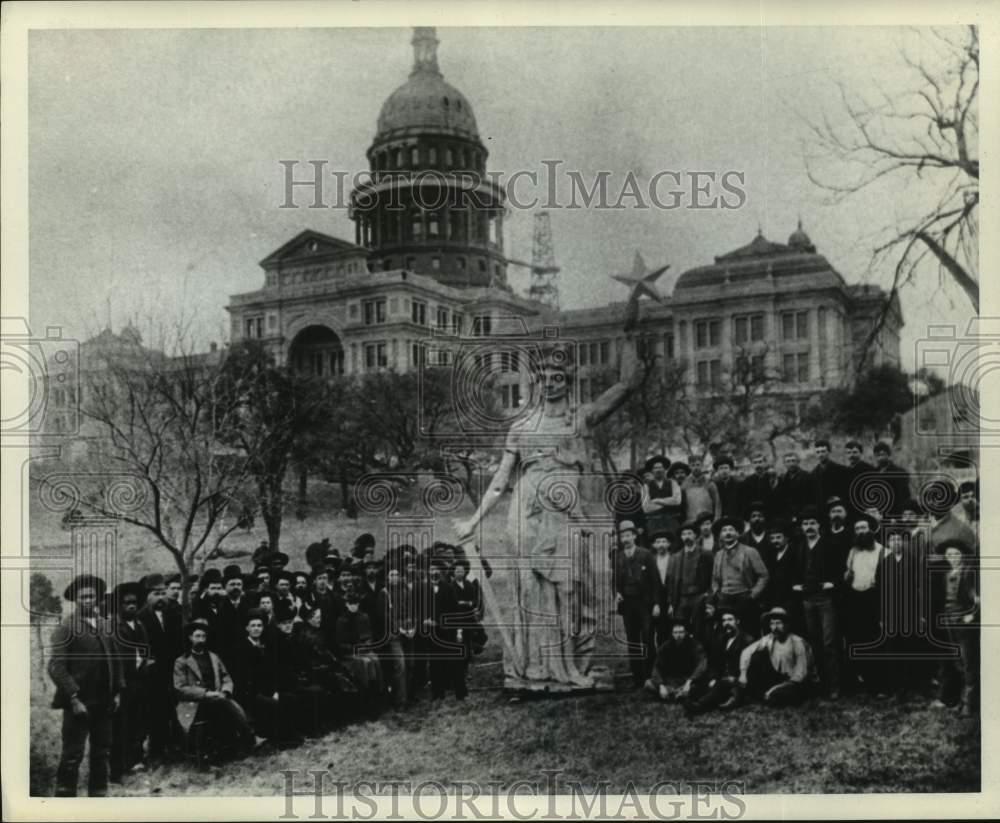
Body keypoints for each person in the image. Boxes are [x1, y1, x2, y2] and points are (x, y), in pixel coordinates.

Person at [454, 337, 643, 694]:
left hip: (567, 510)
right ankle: (536, 668)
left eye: (558, 375)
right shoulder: (521, 427)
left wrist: (630, 332)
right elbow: (499, 480)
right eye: (544, 375)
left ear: (568, 380)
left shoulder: (580, 417)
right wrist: (473, 520)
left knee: (573, 588)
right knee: (532, 588)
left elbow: (626, 385)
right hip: (527, 510)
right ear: (537, 381)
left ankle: (569, 665)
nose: (551, 381)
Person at [48, 574, 125, 797]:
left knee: (102, 752)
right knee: (73, 754)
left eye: (92, 596)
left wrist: (117, 692)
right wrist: (73, 697)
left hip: (105, 702)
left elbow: (116, 659)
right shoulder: (66, 627)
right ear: (75, 600)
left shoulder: (105, 624)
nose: (88, 600)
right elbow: (56, 666)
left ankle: (98, 798)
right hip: (79, 704)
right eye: (83, 597)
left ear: (99, 598)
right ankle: (65, 800)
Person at [173, 622, 255, 760]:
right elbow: (180, 689)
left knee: (225, 702)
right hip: (196, 702)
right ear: (190, 638)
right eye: (197, 636)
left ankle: (236, 744)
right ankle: (249, 738)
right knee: (227, 704)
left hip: (218, 697)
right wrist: (205, 693)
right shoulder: (182, 661)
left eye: (203, 636)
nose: (201, 639)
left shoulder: (213, 657)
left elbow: (226, 677)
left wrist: (226, 690)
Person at [793, 506, 842, 699]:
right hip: (807, 600)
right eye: (805, 524)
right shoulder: (799, 546)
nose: (809, 527)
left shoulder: (829, 544)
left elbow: (840, 570)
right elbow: (796, 570)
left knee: (830, 642)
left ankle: (835, 685)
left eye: (812, 523)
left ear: (819, 525)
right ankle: (821, 684)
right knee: (814, 643)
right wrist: (796, 584)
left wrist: (833, 583)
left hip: (825, 600)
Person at [136, 573, 184, 765]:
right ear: (147, 595)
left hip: (171, 670)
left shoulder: (172, 613)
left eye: (163, 593)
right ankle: (155, 752)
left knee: (170, 709)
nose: (161, 597)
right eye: (156, 593)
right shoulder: (141, 617)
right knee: (154, 712)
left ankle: (171, 747)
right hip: (152, 674)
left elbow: (178, 642)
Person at [930, 540, 978, 716]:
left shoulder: (968, 572)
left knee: (968, 663)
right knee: (957, 661)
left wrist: (972, 614)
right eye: (950, 555)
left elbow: (977, 598)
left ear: (962, 555)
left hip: (963, 621)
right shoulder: (947, 573)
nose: (953, 558)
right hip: (949, 620)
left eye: (956, 554)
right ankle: (961, 701)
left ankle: (969, 705)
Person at [109, 582, 149, 781]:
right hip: (123, 682)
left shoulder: (140, 625)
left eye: (134, 603)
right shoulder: (114, 627)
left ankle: (136, 759)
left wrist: (146, 662)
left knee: (138, 721)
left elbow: (143, 650)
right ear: (119, 606)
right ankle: (117, 767)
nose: (131, 606)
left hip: (139, 681)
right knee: (120, 725)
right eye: (127, 603)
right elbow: (115, 659)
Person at [735, 607, 815, 707]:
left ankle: (768, 696)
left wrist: (774, 689)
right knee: (756, 656)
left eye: (778, 623)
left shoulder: (797, 642)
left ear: (787, 625)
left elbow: (801, 675)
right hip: (778, 679)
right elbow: (746, 652)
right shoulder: (769, 638)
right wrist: (743, 674)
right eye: (772, 624)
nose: (774, 627)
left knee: (779, 697)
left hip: (795, 683)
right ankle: (762, 695)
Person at [843, 512, 884, 695]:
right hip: (855, 599)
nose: (860, 531)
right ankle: (859, 681)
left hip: (874, 599)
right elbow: (848, 574)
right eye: (857, 528)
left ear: (871, 530)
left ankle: (877, 684)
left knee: (874, 641)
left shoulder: (883, 551)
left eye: (864, 528)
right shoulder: (853, 551)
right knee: (856, 639)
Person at [685, 607, 754, 715]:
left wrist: (735, 678)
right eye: (724, 620)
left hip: (738, 681)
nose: (727, 623)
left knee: (722, 686)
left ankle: (699, 706)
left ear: (737, 621)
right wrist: (713, 678)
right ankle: (717, 697)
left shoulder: (747, 640)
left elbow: (751, 667)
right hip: (721, 679)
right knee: (697, 687)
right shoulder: (721, 639)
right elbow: (715, 663)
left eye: (730, 620)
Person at [614, 520, 657, 688]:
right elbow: (616, 580)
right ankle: (638, 678)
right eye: (623, 536)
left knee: (647, 638)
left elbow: (655, 581)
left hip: (645, 603)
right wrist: (617, 593)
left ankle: (650, 676)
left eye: (628, 535)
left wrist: (656, 604)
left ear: (634, 536)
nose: (626, 539)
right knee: (632, 640)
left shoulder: (645, 554)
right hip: (628, 604)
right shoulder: (618, 558)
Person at [710, 517, 769, 636]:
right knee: (725, 633)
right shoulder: (718, 555)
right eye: (724, 530)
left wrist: (752, 595)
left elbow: (764, 576)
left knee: (748, 631)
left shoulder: (750, 551)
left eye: (731, 530)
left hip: (744, 598)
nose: (727, 533)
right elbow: (715, 578)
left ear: (737, 533)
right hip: (724, 599)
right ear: (720, 535)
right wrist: (717, 592)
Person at [644, 619, 707, 702]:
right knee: (648, 684)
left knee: (701, 684)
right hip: (670, 681)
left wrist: (689, 682)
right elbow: (657, 668)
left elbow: (701, 666)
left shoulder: (695, 646)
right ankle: (678, 695)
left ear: (685, 633)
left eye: (681, 632)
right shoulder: (665, 647)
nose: (678, 635)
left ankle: (673, 695)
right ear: (672, 634)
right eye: (676, 632)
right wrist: (661, 686)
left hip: (688, 679)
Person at [668, 523, 713, 629]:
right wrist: (671, 603)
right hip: (682, 598)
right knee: (682, 629)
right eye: (684, 534)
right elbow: (671, 581)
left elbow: (712, 578)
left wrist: (708, 600)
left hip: (699, 597)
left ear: (695, 535)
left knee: (699, 629)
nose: (686, 537)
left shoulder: (705, 554)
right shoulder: (676, 557)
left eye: (689, 533)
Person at [641, 456, 682, 540]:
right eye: (655, 468)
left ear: (664, 469)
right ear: (652, 471)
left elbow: (677, 501)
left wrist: (657, 500)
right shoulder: (646, 486)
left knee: (674, 543)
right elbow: (646, 507)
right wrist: (669, 502)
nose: (658, 470)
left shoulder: (672, 482)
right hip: (654, 522)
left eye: (660, 467)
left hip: (671, 520)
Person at [649, 529, 676, 649]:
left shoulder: (675, 559)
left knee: (671, 629)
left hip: (671, 597)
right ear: (654, 545)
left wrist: (673, 603)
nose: (661, 544)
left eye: (664, 541)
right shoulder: (650, 560)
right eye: (658, 542)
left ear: (669, 544)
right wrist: (655, 603)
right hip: (655, 598)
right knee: (658, 630)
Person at [872, 442, 911, 516]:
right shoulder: (873, 472)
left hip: (895, 510)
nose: (880, 458)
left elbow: (904, 495)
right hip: (879, 511)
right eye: (877, 455)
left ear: (888, 455)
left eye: (883, 454)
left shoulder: (899, 472)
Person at [681, 455, 721, 525]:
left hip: (707, 521)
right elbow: (682, 505)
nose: (696, 468)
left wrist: (716, 519)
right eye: (693, 465)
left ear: (702, 465)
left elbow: (717, 503)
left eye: (698, 465)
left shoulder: (709, 483)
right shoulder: (684, 484)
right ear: (689, 466)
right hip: (691, 520)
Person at [774, 452, 814, 521]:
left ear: (798, 462)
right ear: (784, 464)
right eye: (788, 461)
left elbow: (811, 498)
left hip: (804, 514)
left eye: (793, 461)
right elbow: (779, 499)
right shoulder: (782, 478)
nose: (791, 464)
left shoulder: (807, 476)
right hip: (787, 516)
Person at [811, 439, 848, 512]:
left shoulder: (841, 470)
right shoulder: (813, 473)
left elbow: (846, 491)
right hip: (820, 510)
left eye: (823, 451)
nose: (820, 455)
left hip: (837, 508)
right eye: (818, 452)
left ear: (829, 452)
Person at [740, 454, 778, 519]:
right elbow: (745, 501)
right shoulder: (747, 481)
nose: (758, 465)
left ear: (765, 463)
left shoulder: (771, 478)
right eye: (755, 462)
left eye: (760, 462)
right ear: (752, 464)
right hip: (755, 515)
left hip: (771, 513)